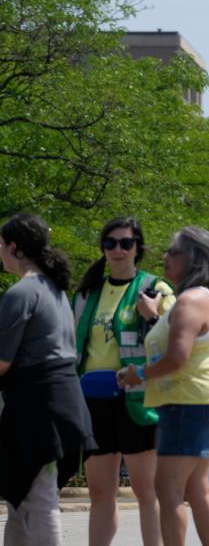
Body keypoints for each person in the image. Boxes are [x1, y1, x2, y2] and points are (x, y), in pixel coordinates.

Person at [117, 226, 209, 546]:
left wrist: (137, 373)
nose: (164, 257)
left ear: (192, 258)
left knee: (168, 491)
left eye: (172, 251)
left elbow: (176, 358)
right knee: (197, 488)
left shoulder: (190, 301)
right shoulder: (196, 298)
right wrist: (156, 319)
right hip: (198, 401)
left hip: (187, 403)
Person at [74, 217, 176, 546]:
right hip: (94, 400)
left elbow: (179, 343)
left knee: (147, 491)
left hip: (138, 400)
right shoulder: (88, 293)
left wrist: (155, 317)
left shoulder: (156, 289)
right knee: (100, 492)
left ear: (137, 249)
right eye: (110, 243)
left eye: (125, 243)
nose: (117, 250)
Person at [0, 213, 97, 545]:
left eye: (1, 245)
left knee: (39, 500)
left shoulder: (22, 293)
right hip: (60, 405)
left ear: (14, 247)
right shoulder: (54, 290)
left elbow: (2, 361)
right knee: (21, 500)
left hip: (38, 408)